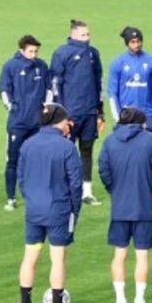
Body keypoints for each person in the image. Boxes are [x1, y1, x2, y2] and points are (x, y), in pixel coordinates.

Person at [15, 103, 82, 303]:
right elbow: (75, 183)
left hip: (34, 209)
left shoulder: (28, 144)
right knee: (58, 257)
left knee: (31, 254)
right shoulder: (67, 147)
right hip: (59, 209)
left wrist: (30, 198)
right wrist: (75, 209)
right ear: (60, 122)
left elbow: (21, 178)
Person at [98, 107, 152, 303]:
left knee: (119, 253)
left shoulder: (110, 141)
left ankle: (120, 299)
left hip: (120, 206)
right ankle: (139, 299)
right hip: (144, 205)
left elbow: (104, 170)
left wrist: (114, 190)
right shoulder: (151, 141)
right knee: (142, 255)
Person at [50, 19, 104, 205]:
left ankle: (87, 191)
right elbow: (55, 83)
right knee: (66, 150)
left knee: (87, 149)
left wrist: (100, 110)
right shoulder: (62, 53)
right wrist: (61, 113)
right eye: (83, 35)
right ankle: (64, 188)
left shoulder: (93, 53)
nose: (87, 38)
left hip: (89, 112)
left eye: (88, 34)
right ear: (73, 35)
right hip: (70, 113)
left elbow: (99, 82)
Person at [0, 34, 49, 211]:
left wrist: (46, 107)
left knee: (35, 159)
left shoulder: (42, 66)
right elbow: (4, 90)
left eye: (36, 51)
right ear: (22, 50)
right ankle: (11, 197)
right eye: (30, 51)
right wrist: (11, 107)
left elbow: (48, 89)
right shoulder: (10, 66)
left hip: (37, 123)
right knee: (13, 160)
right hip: (18, 123)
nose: (34, 55)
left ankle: (33, 193)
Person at [108, 26, 152, 132]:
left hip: (147, 114)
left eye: (138, 41)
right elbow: (112, 92)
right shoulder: (118, 63)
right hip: (126, 116)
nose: (136, 45)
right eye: (133, 42)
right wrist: (118, 117)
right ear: (127, 43)